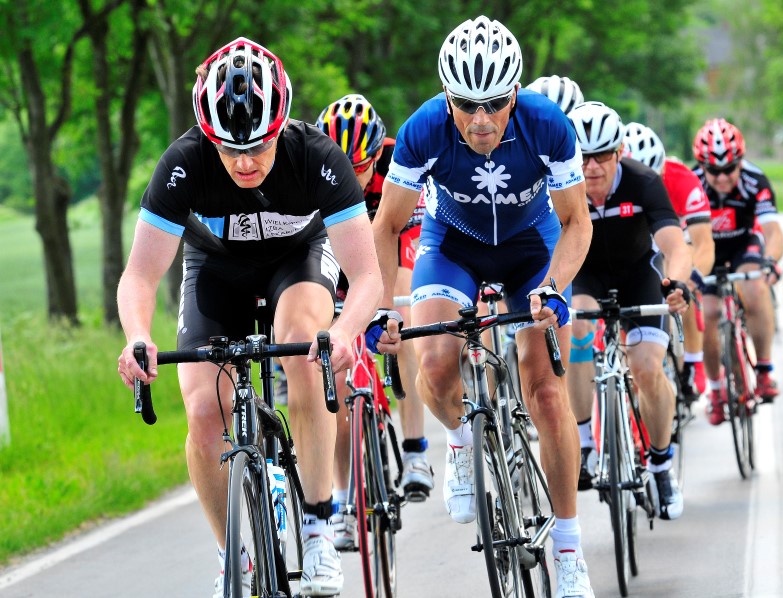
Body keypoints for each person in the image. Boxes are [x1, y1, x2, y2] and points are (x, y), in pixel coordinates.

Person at [114, 37, 388, 597]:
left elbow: (367, 276)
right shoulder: (183, 164)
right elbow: (139, 276)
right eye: (228, 148)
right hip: (215, 269)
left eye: (259, 146)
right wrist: (137, 335)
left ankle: (318, 526)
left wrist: (342, 332)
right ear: (206, 136)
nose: (244, 162)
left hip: (298, 260)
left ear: (281, 125)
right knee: (202, 411)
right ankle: (232, 555)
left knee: (305, 347)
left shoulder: (317, 157)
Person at [371, 16, 596, 597]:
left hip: (531, 249)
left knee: (546, 391)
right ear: (446, 97)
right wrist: (380, 307)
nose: (480, 120)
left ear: (514, 94)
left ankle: (568, 549)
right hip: (453, 246)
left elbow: (577, 221)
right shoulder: (423, 129)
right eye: (466, 105)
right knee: (435, 362)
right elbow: (387, 226)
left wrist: (555, 286)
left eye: (494, 104)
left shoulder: (547, 124)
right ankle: (459, 440)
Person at [315, 93, 435, 549]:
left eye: (360, 167)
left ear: (376, 155)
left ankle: (415, 449)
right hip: (339, 259)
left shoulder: (396, 165)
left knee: (400, 320)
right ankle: (343, 499)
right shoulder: (313, 169)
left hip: (392, 248)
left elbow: (406, 247)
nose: (351, 177)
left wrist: (386, 308)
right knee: (333, 371)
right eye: (342, 167)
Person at [566, 102, 691, 521]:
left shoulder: (643, 181)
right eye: (582, 156)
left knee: (646, 369)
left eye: (602, 155)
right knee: (578, 331)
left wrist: (677, 283)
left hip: (639, 274)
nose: (591, 167)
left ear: (620, 151)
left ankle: (661, 465)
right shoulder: (560, 186)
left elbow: (675, 246)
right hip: (586, 276)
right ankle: (586, 442)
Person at [691, 118, 783, 424]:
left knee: (755, 289)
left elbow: (773, 231)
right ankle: (717, 391)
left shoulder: (755, 180)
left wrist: (770, 261)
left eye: (730, 168)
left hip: (744, 246)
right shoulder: (691, 185)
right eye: (714, 170)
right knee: (707, 313)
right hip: (707, 251)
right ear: (701, 166)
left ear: (740, 161)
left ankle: (764, 371)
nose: (722, 177)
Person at [623, 121, 714, 402]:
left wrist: (691, 280)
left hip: (675, 236)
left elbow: (703, 243)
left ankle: (693, 362)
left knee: (682, 282)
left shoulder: (683, 179)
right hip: (636, 242)